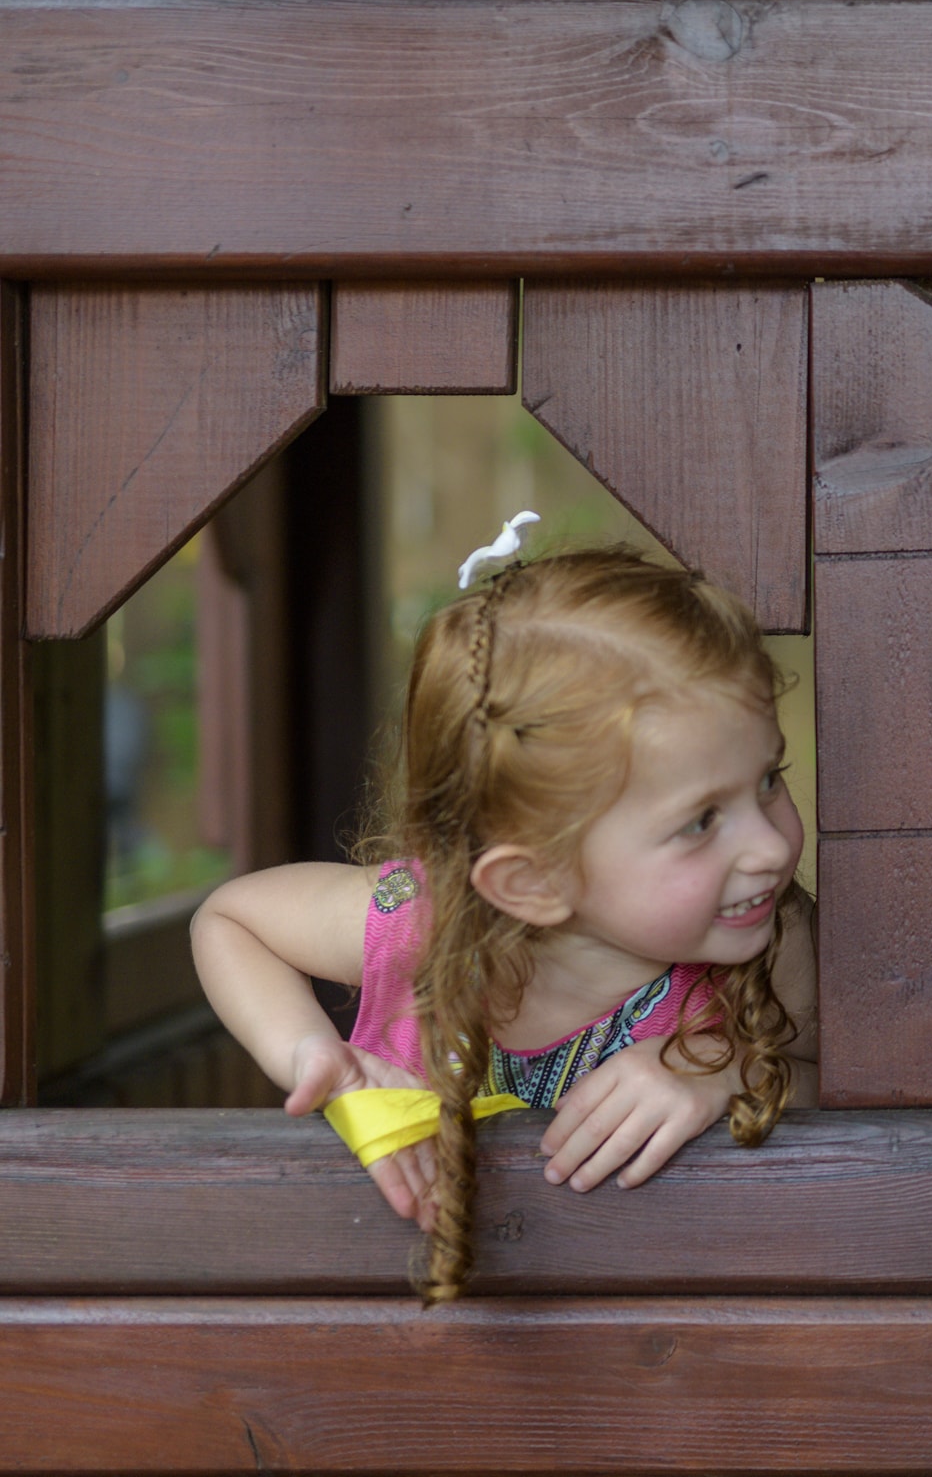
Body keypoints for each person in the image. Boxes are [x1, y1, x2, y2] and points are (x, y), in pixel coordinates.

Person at [193, 543, 817, 1299]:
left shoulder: (771, 943)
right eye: (702, 821)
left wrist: (726, 1072)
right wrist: (306, 1055)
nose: (771, 844)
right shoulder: (415, 923)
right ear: (533, 880)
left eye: (770, 780)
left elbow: (868, 1090)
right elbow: (230, 919)